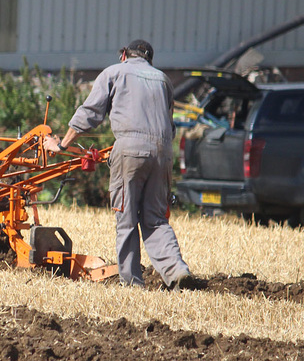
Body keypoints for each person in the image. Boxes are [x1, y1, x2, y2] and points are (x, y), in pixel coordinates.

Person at [44, 39, 196, 290]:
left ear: (124, 55)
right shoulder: (163, 80)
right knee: (156, 219)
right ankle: (177, 271)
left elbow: (89, 114)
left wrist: (62, 145)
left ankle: (133, 283)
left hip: (129, 151)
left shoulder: (113, 73)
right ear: (149, 60)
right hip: (164, 153)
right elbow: (170, 126)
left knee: (126, 219)